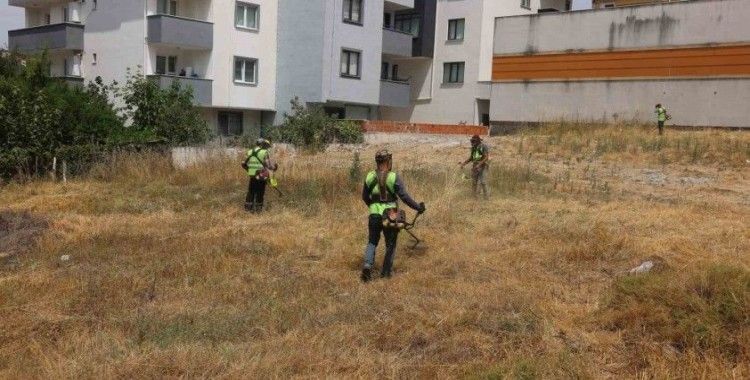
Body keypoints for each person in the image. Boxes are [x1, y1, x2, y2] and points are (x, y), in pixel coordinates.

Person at [361, 150, 426, 282]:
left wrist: (374, 207)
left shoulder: (369, 176)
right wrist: (418, 207)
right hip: (390, 215)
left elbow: (364, 197)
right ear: (387, 161)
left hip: (374, 214)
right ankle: (385, 273)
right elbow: (404, 197)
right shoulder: (393, 177)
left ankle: (367, 265)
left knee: (372, 242)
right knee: (390, 244)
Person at [242, 138, 276, 213]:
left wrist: (249, 170)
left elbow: (243, 164)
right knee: (260, 192)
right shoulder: (264, 152)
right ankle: (258, 210)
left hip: (252, 175)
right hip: (261, 175)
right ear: (262, 144)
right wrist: (275, 167)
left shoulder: (250, 151)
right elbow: (268, 166)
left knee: (251, 191)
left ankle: (248, 210)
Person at [460, 135, 490, 199]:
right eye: (472, 141)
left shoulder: (483, 146)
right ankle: (474, 197)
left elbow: (486, 157)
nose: (472, 143)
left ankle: (486, 197)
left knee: (483, 182)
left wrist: (479, 165)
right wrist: (464, 163)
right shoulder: (473, 147)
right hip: (475, 167)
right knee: (474, 182)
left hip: (483, 166)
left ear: (478, 141)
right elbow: (471, 157)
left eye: (474, 141)